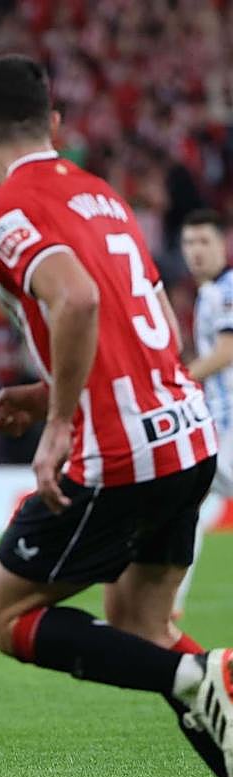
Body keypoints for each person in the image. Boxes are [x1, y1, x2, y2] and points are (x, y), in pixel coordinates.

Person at [0, 55, 233, 777]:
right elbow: (159, 332)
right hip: (188, 435)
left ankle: (201, 674)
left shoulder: (5, 211)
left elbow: (74, 297)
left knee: (1, 614)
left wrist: (58, 426)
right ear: (55, 125)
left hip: (120, 455)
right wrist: (52, 393)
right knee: (142, 620)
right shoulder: (102, 197)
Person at [175, 209, 233, 617]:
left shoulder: (227, 290)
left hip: (230, 430)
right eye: (189, 243)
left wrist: (177, 382)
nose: (196, 251)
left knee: (181, 504)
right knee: (181, 505)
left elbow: (228, 352)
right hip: (216, 427)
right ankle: (166, 607)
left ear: (222, 244)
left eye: (204, 242)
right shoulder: (208, 293)